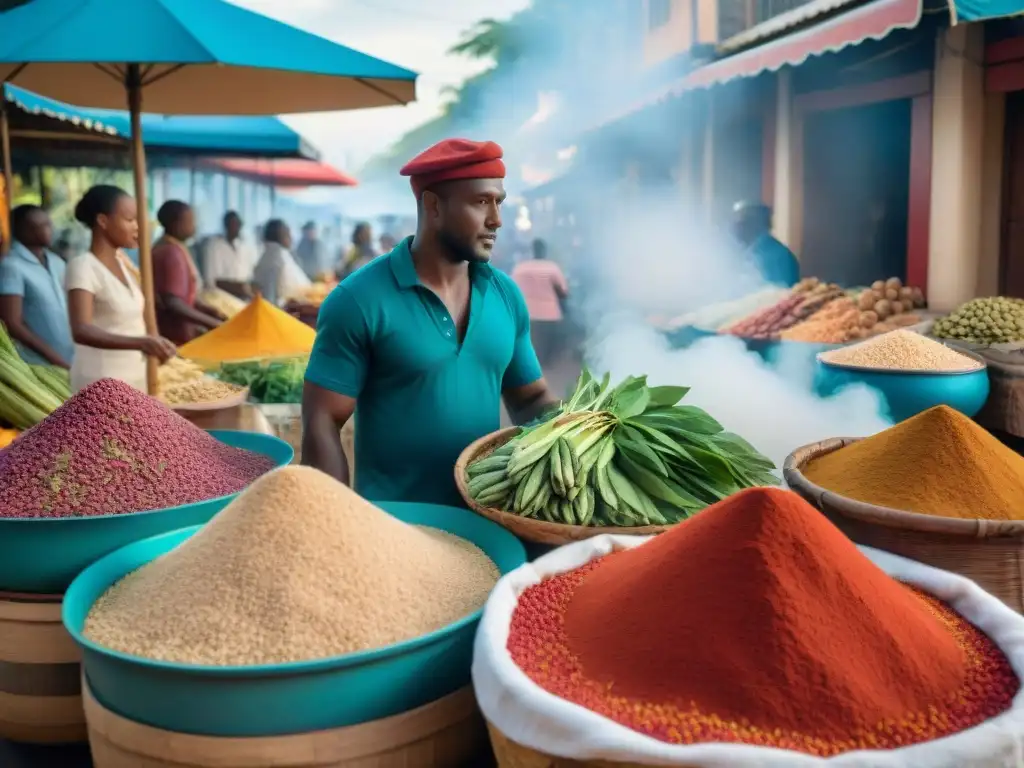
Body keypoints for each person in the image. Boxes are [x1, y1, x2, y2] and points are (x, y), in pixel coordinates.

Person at [302, 138, 557, 507]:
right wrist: (339, 524)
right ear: (434, 206)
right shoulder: (359, 300)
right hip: (395, 530)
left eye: (498, 202)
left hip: (487, 525)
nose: (496, 220)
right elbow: (322, 419)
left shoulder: (506, 296)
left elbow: (530, 398)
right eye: (480, 201)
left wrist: (583, 429)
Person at [66, 185, 176, 393]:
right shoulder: (83, 266)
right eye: (129, 220)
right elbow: (81, 329)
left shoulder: (125, 265)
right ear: (103, 221)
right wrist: (141, 343)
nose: (137, 227)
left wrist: (154, 343)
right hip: (100, 385)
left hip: (134, 380)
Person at [0, 205, 74, 368]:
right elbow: (12, 323)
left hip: (70, 359)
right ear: (20, 230)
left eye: (48, 224)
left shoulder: (57, 262)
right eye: (37, 226)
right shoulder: (11, 266)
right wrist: (55, 358)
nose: (47, 230)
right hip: (38, 364)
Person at [152, 201, 223, 345]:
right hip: (174, 335)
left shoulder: (170, 247)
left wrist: (207, 310)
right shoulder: (170, 252)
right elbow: (173, 302)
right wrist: (213, 323)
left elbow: (182, 296)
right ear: (176, 224)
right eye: (190, 221)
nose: (194, 227)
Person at [510, 238, 569, 370]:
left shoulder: (520, 268)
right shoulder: (552, 268)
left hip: (526, 313)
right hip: (550, 314)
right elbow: (563, 292)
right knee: (547, 344)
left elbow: (512, 290)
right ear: (545, 251)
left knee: (527, 343)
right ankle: (543, 368)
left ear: (532, 251)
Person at [732, 201, 800, 288]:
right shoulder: (750, 251)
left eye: (740, 222)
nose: (734, 228)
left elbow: (777, 294)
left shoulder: (777, 256)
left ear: (754, 223)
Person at [252, 219, 310, 306]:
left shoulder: (278, 254)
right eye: (287, 233)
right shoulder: (274, 258)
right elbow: (269, 297)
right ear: (280, 235)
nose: (291, 238)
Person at [202, 210, 256, 299]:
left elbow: (249, 274)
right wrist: (237, 287)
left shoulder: (244, 245)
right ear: (226, 225)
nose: (237, 228)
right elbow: (211, 281)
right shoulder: (214, 245)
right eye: (234, 224)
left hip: (243, 297)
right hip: (221, 297)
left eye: (238, 224)